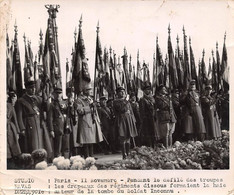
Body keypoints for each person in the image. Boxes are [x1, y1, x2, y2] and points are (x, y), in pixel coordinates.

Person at [15, 81, 52, 154]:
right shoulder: (21, 101)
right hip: (29, 124)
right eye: (31, 88)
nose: (33, 89)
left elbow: (47, 108)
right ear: (27, 89)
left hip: (39, 124)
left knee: (41, 143)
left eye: (34, 88)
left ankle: (41, 159)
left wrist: (45, 96)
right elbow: (19, 116)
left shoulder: (38, 99)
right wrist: (22, 128)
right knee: (32, 144)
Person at [76, 82, 103, 158]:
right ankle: (87, 156)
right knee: (86, 142)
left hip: (92, 121)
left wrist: (98, 119)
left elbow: (94, 110)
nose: (90, 91)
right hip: (85, 122)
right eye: (89, 90)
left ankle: (91, 156)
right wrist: (89, 107)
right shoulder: (79, 100)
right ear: (84, 91)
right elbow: (80, 111)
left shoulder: (90, 99)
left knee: (91, 141)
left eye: (90, 90)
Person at [113, 86, 138, 159]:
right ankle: (124, 154)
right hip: (121, 120)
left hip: (128, 119)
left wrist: (133, 120)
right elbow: (121, 110)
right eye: (121, 92)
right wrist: (126, 101)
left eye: (123, 91)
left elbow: (131, 111)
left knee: (128, 137)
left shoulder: (127, 102)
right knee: (123, 137)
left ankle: (128, 153)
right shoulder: (116, 101)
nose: (123, 93)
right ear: (117, 93)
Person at [48, 86, 71, 158]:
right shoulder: (52, 105)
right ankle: (58, 161)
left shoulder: (65, 103)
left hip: (66, 127)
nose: (58, 95)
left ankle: (66, 160)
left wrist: (69, 105)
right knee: (58, 147)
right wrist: (51, 130)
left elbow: (69, 114)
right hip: (58, 128)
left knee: (66, 145)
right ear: (54, 94)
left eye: (60, 93)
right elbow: (50, 118)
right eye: (56, 93)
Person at [139, 82, 158, 148]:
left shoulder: (152, 99)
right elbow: (141, 111)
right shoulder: (142, 99)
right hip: (146, 119)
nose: (149, 91)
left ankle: (154, 145)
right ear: (144, 91)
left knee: (154, 132)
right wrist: (143, 119)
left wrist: (155, 115)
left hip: (152, 117)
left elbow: (155, 108)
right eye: (147, 90)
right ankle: (149, 146)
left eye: (149, 89)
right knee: (147, 133)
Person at [7, 91, 21, 169]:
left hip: (10, 129)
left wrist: (17, 132)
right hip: (6, 128)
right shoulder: (8, 105)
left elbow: (15, 119)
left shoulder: (10, 106)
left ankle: (11, 160)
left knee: (12, 144)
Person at [66, 87, 80, 156]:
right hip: (70, 123)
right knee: (72, 140)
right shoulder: (67, 104)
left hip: (76, 123)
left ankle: (77, 154)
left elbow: (77, 111)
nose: (71, 98)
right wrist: (70, 106)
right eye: (70, 96)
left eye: (72, 96)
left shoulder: (76, 103)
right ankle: (72, 154)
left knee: (76, 140)